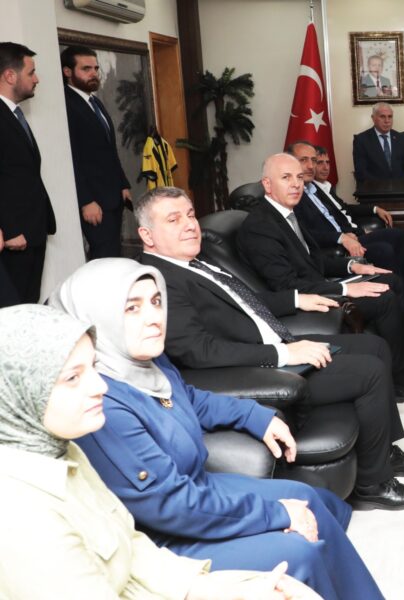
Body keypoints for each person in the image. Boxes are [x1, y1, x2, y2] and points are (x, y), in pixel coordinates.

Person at [48, 262, 391, 598]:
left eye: (156, 301)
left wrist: (255, 417)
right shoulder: (101, 402)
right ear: (95, 320)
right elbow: (173, 507)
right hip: (162, 536)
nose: (154, 318)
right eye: (132, 308)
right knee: (299, 551)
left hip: (197, 489)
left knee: (309, 500)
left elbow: (190, 398)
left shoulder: (144, 361)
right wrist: (278, 515)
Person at [0, 304, 321, 600]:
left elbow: (134, 553)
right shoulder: (20, 516)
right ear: (16, 392)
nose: (101, 386)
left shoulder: (63, 452)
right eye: (72, 378)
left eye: (93, 367)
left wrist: (229, 590)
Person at [135, 186, 404, 406]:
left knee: (375, 346)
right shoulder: (156, 281)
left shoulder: (193, 262)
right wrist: (283, 353)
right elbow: (199, 352)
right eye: (174, 220)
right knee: (371, 366)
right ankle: (379, 471)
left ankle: (400, 396)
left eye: (191, 215)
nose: (190, 225)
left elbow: (248, 299)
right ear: (147, 235)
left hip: (276, 335)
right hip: (256, 361)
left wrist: (299, 299)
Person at [237, 154, 404, 392]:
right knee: (384, 298)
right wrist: (345, 288)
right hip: (306, 302)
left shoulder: (287, 213)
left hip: (318, 285)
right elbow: (287, 286)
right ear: (267, 184)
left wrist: (353, 267)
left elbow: (313, 262)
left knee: (391, 280)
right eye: (286, 178)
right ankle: (402, 382)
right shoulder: (260, 226)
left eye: (299, 177)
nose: (296, 184)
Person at [288, 142, 404, 329]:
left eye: (313, 160)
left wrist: (373, 209)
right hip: (335, 247)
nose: (311, 166)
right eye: (304, 160)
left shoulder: (315, 188)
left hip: (351, 236)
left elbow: (342, 209)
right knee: (384, 250)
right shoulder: (294, 194)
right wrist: (341, 237)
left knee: (400, 235)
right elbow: (305, 234)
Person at [62, 45, 131, 260]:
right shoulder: (65, 104)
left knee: (114, 253)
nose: (93, 73)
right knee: (104, 257)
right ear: (67, 71)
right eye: (86, 69)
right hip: (94, 200)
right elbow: (71, 158)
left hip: (112, 196)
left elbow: (109, 149)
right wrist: (86, 201)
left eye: (95, 68)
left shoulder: (94, 101)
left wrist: (123, 184)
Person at [0, 42, 55, 303]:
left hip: (32, 229)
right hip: (14, 235)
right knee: (14, 311)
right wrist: (9, 228)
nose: (37, 79)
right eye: (31, 72)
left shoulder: (13, 114)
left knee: (29, 305)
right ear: (10, 76)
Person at [353, 102, 404, 183]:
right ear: (373, 118)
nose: (387, 121)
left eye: (390, 117)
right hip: (373, 188)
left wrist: (400, 185)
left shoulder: (402, 139)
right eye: (382, 116)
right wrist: (382, 186)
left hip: (400, 186)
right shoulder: (361, 140)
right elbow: (361, 171)